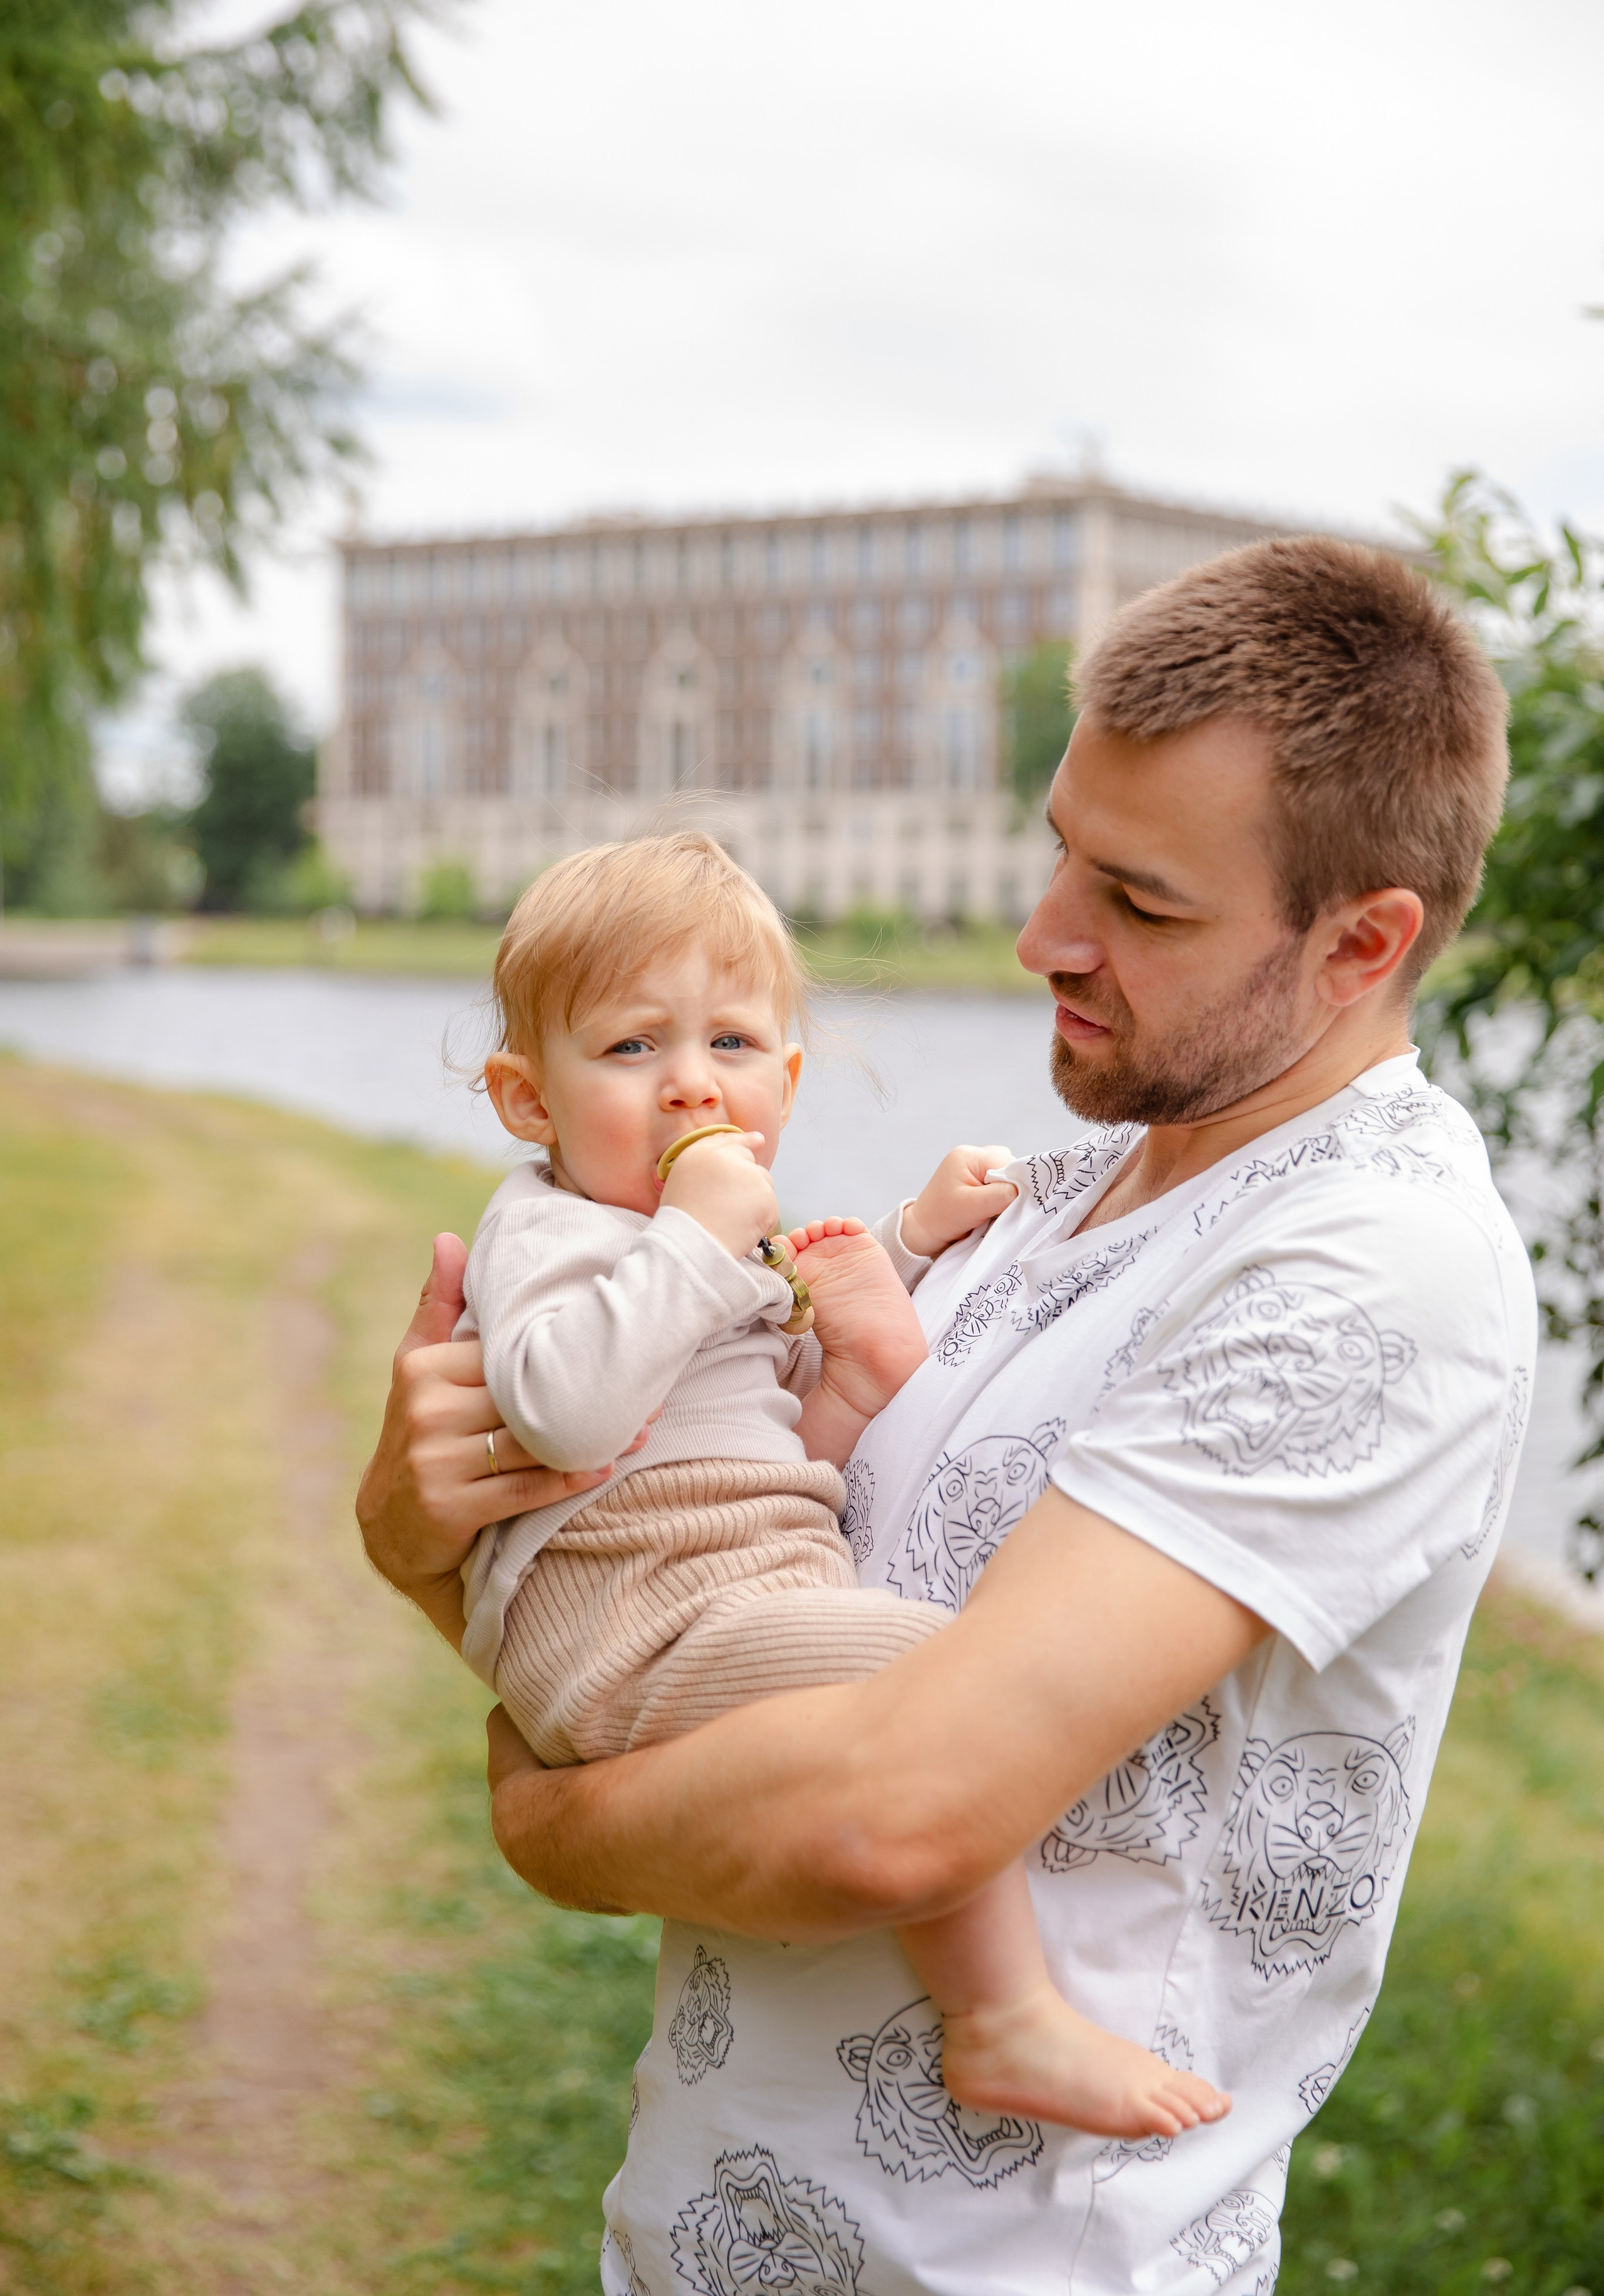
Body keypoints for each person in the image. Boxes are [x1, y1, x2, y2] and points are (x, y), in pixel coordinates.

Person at [359, 536, 1534, 2296]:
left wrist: (547, 1808)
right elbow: (679, 1565)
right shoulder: (1046, 1207)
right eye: (1062, 846)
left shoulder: (1370, 1267)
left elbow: (891, 1814)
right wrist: (411, 1520)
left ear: (1361, 942)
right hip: (699, 2225)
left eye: (1138, 904)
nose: (1039, 934)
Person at [456, 830, 1226, 2137]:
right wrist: (702, 1230)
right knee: (935, 1680)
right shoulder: (555, 1232)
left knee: (902, 1630)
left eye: (733, 1048)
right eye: (633, 1049)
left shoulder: (694, 1243)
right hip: (631, 1617)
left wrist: (902, 1245)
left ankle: (990, 1996)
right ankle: (998, 2019)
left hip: (721, 1585)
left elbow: (765, 1405)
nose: (691, 1089)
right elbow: (570, 1407)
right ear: (529, 1101)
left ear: (788, 1081)